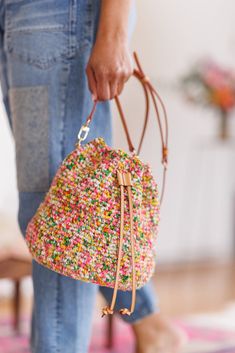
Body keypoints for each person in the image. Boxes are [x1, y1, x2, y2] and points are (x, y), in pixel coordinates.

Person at [0, 1, 186, 352]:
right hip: (17, 15)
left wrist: (114, 31)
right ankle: (149, 322)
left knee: (62, 221)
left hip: (56, 15)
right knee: (47, 212)